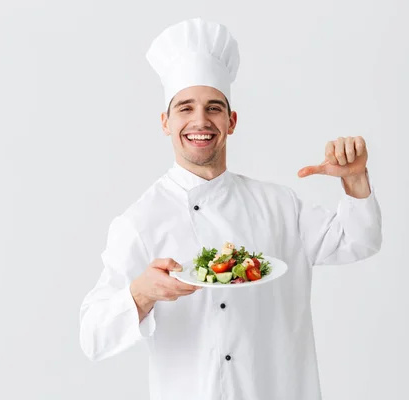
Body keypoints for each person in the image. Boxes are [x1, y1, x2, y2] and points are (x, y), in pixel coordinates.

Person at [79, 17, 382, 400]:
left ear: (232, 121)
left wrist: (354, 180)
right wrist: (140, 295)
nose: (200, 121)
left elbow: (360, 241)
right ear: (165, 122)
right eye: (185, 108)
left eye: (214, 108)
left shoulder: (279, 205)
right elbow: (92, 337)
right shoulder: (139, 222)